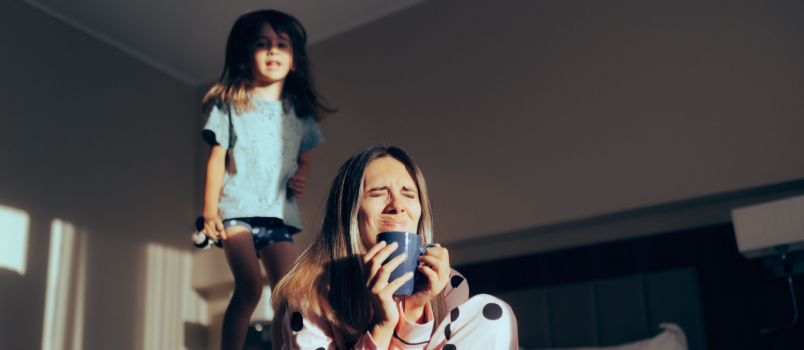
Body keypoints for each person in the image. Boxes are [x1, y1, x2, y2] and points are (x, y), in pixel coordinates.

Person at [272, 145, 518, 350]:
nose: (397, 205)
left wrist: (414, 311)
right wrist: (382, 325)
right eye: (377, 193)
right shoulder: (310, 290)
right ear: (349, 212)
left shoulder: (447, 285)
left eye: (409, 194)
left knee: (492, 313)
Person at [199, 9, 334, 350]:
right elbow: (217, 159)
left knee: (287, 295)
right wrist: (210, 212)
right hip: (236, 210)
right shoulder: (231, 104)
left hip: (278, 216)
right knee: (249, 289)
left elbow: (304, 158)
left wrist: (302, 176)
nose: (273, 50)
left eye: (281, 44)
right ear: (246, 55)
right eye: (263, 43)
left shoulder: (298, 114)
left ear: (294, 58)